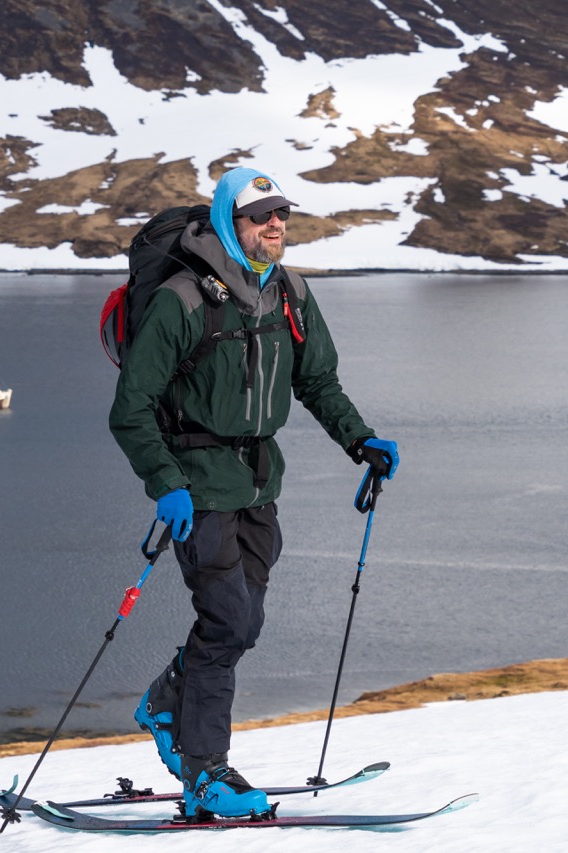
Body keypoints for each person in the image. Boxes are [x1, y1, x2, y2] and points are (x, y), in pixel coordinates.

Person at [109, 167, 398, 818]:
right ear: (227, 225)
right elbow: (131, 408)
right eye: (260, 216)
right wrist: (167, 483)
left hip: (260, 480)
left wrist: (363, 441)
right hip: (197, 481)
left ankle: (163, 703)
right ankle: (206, 771)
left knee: (245, 623)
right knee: (226, 621)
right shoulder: (183, 299)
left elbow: (317, 382)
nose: (276, 225)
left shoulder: (289, 292)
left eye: (282, 215)